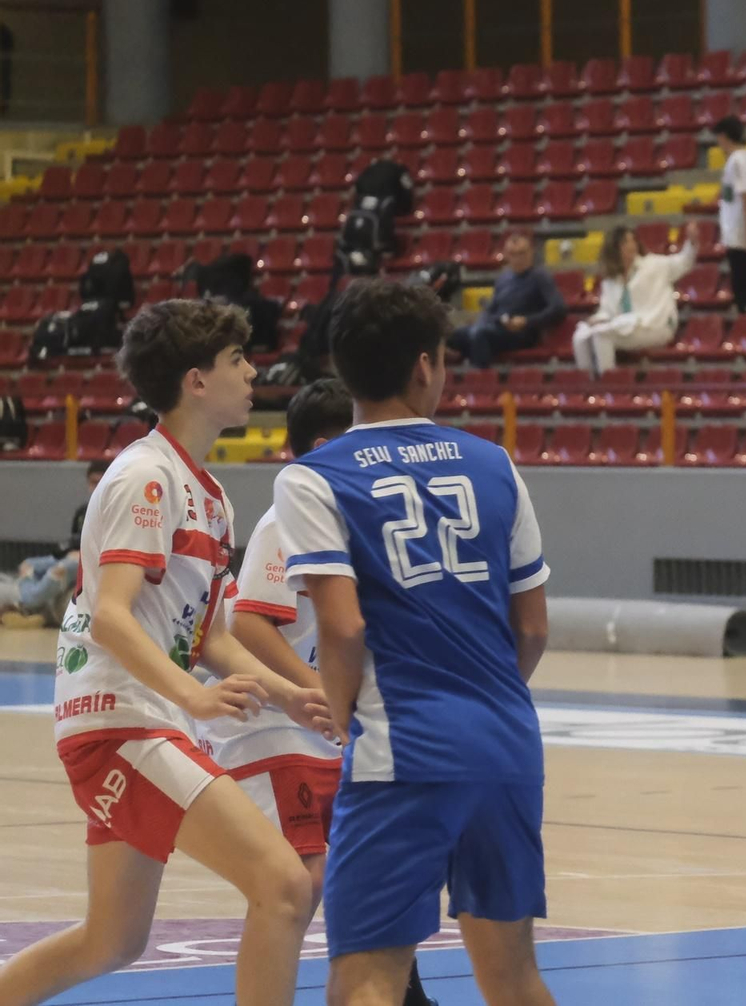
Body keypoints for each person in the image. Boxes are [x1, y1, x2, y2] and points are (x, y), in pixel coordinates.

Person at [0, 300, 325, 1006]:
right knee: (284, 883)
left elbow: (210, 636)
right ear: (195, 381)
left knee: (112, 940)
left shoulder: (209, 495)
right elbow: (112, 616)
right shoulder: (144, 476)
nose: (252, 370)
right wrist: (193, 696)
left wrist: (289, 692)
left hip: (145, 720)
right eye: (237, 360)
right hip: (121, 722)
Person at [274, 277, 555, 1006]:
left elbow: (342, 625)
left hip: (400, 752)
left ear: (343, 367)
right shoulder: (495, 464)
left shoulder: (312, 479)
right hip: (505, 744)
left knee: (365, 980)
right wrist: (483, 700)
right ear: (427, 366)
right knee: (514, 977)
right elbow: (533, 627)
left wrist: (338, 715)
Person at [201, 379, 437, 1006]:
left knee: (372, 864)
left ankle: (401, 991)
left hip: (320, 719)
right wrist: (321, 690)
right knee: (308, 876)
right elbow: (247, 622)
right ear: (331, 446)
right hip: (264, 715)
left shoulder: (360, 514)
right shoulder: (288, 517)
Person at [572, 225, 698, 375]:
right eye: (626, 242)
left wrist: (691, 242)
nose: (631, 245)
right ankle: (588, 386)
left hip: (655, 324)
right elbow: (607, 311)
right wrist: (597, 319)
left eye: (633, 241)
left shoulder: (654, 264)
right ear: (615, 249)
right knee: (581, 337)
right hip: (625, 326)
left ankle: (609, 387)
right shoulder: (611, 280)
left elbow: (684, 262)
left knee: (601, 335)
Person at [0, 461, 107, 625]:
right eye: (93, 482)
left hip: (95, 562)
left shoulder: (115, 510)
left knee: (65, 567)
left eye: (101, 482)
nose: (97, 487)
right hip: (74, 557)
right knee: (28, 564)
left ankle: (25, 602)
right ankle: (28, 606)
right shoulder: (83, 512)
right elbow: (73, 542)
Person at [445, 232, 565, 367]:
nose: (518, 259)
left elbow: (558, 308)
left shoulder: (540, 277)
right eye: (513, 254)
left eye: (522, 253)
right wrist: (480, 322)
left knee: (480, 335)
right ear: (507, 255)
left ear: (531, 252)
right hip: (498, 326)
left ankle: (482, 380)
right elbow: (491, 309)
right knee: (451, 336)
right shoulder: (503, 278)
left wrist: (526, 321)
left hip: (522, 333)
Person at [714, 115, 746, 311]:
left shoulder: (738, 161)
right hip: (743, 228)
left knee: (744, 291)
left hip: (739, 229)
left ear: (725, 136)